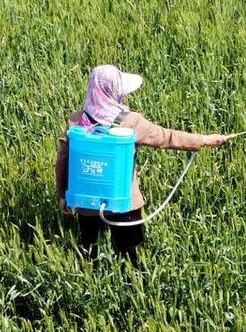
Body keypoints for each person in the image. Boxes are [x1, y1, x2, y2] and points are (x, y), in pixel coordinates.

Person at [55, 64, 227, 268]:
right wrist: (203, 140)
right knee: (131, 254)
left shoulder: (76, 122)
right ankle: (133, 288)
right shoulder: (130, 122)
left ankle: (90, 279)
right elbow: (166, 137)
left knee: (88, 249)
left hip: (86, 203)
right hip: (124, 202)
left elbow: (62, 162)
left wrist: (63, 195)